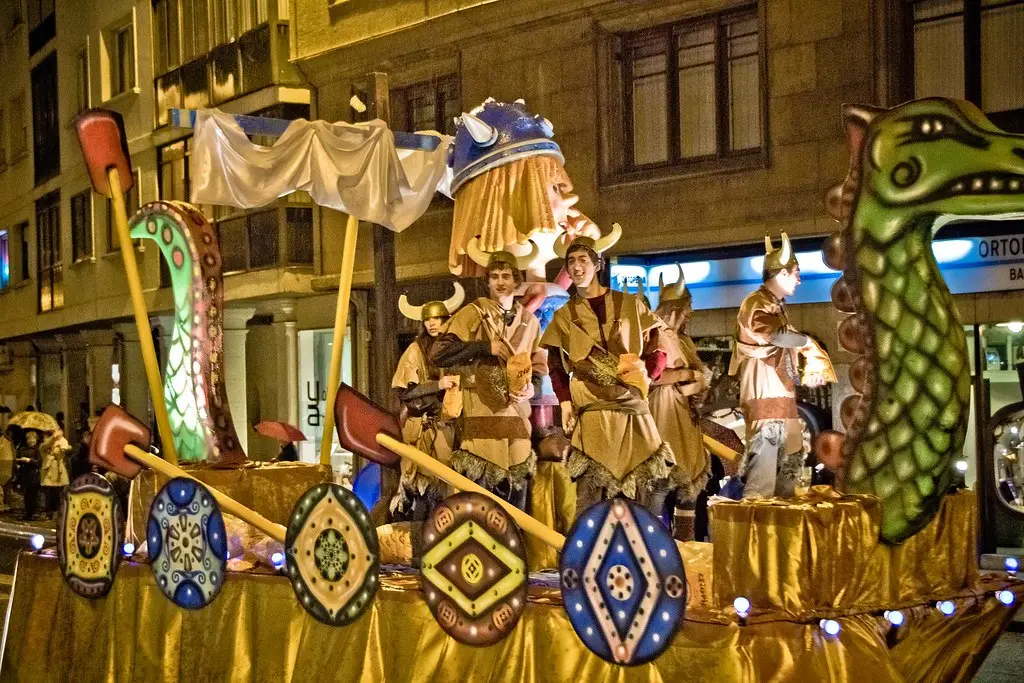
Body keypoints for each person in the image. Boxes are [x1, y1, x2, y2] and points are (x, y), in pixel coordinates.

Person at [541, 226, 675, 521]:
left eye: (583, 260)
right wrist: (564, 402)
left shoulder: (629, 304)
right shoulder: (563, 316)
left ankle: (644, 553)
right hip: (593, 411)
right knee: (589, 493)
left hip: (632, 408)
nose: (576, 267)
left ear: (597, 265)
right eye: (571, 261)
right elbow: (555, 363)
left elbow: (658, 345)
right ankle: (587, 561)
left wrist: (648, 376)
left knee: (650, 486)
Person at [429, 244, 547, 510]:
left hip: (516, 420)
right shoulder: (473, 313)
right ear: (488, 281)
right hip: (480, 419)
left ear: (516, 280)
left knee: (516, 508)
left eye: (506, 276)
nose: (501, 282)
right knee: (481, 506)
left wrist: (533, 389)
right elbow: (439, 353)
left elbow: (539, 365)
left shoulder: (530, 322)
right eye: (495, 277)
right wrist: (484, 347)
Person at [729, 233, 834, 498]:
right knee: (762, 478)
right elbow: (775, 335)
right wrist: (808, 344)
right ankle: (756, 533)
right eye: (796, 273)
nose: (799, 279)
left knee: (789, 473)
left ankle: (779, 531)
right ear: (782, 274)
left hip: (782, 398)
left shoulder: (774, 305)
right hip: (766, 398)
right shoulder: (756, 303)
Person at [390, 282, 465, 521]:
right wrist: (437, 386)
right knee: (423, 492)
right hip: (422, 428)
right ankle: (419, 549)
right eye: (428, 320)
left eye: (438, 319)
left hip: (450, 427)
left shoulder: (456, 349)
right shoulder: (415, 350)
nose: (432, 324)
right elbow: (405, 391)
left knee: (448, 490)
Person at [650, 266, 712, 534]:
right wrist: (686, 373)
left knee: (689, 487)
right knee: (660, 484)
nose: (691, 313)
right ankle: (650, 543)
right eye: (688, 307)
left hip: (685, 418)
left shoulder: (683, 340)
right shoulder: (654, 334)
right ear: (675, 308)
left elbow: (697, 374)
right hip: (662, 415)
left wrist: (699, 384)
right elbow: (652, 375)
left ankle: (686, 546)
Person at [40, 429, 71, 517]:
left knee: (58, 493)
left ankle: (58, 512)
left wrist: (61, 449)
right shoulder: (45, 446)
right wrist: (53, 439)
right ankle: (49, 512)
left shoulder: (61, 442)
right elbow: (44, 447)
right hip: (48, 473)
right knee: (49, 494)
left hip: (59, 473)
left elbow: (67, 449)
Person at [17, 430, 42, 521]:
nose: (31, 441)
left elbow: (39, 462)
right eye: (29, 439)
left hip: (34, 475)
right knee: (26, 495)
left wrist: (29, 460)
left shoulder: (38, 449)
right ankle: (27, 512)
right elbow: (18, 458)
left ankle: (33, 512)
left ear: (36, 439)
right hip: (25, 474)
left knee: (34, 494)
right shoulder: (23, 449)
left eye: (32, 439)